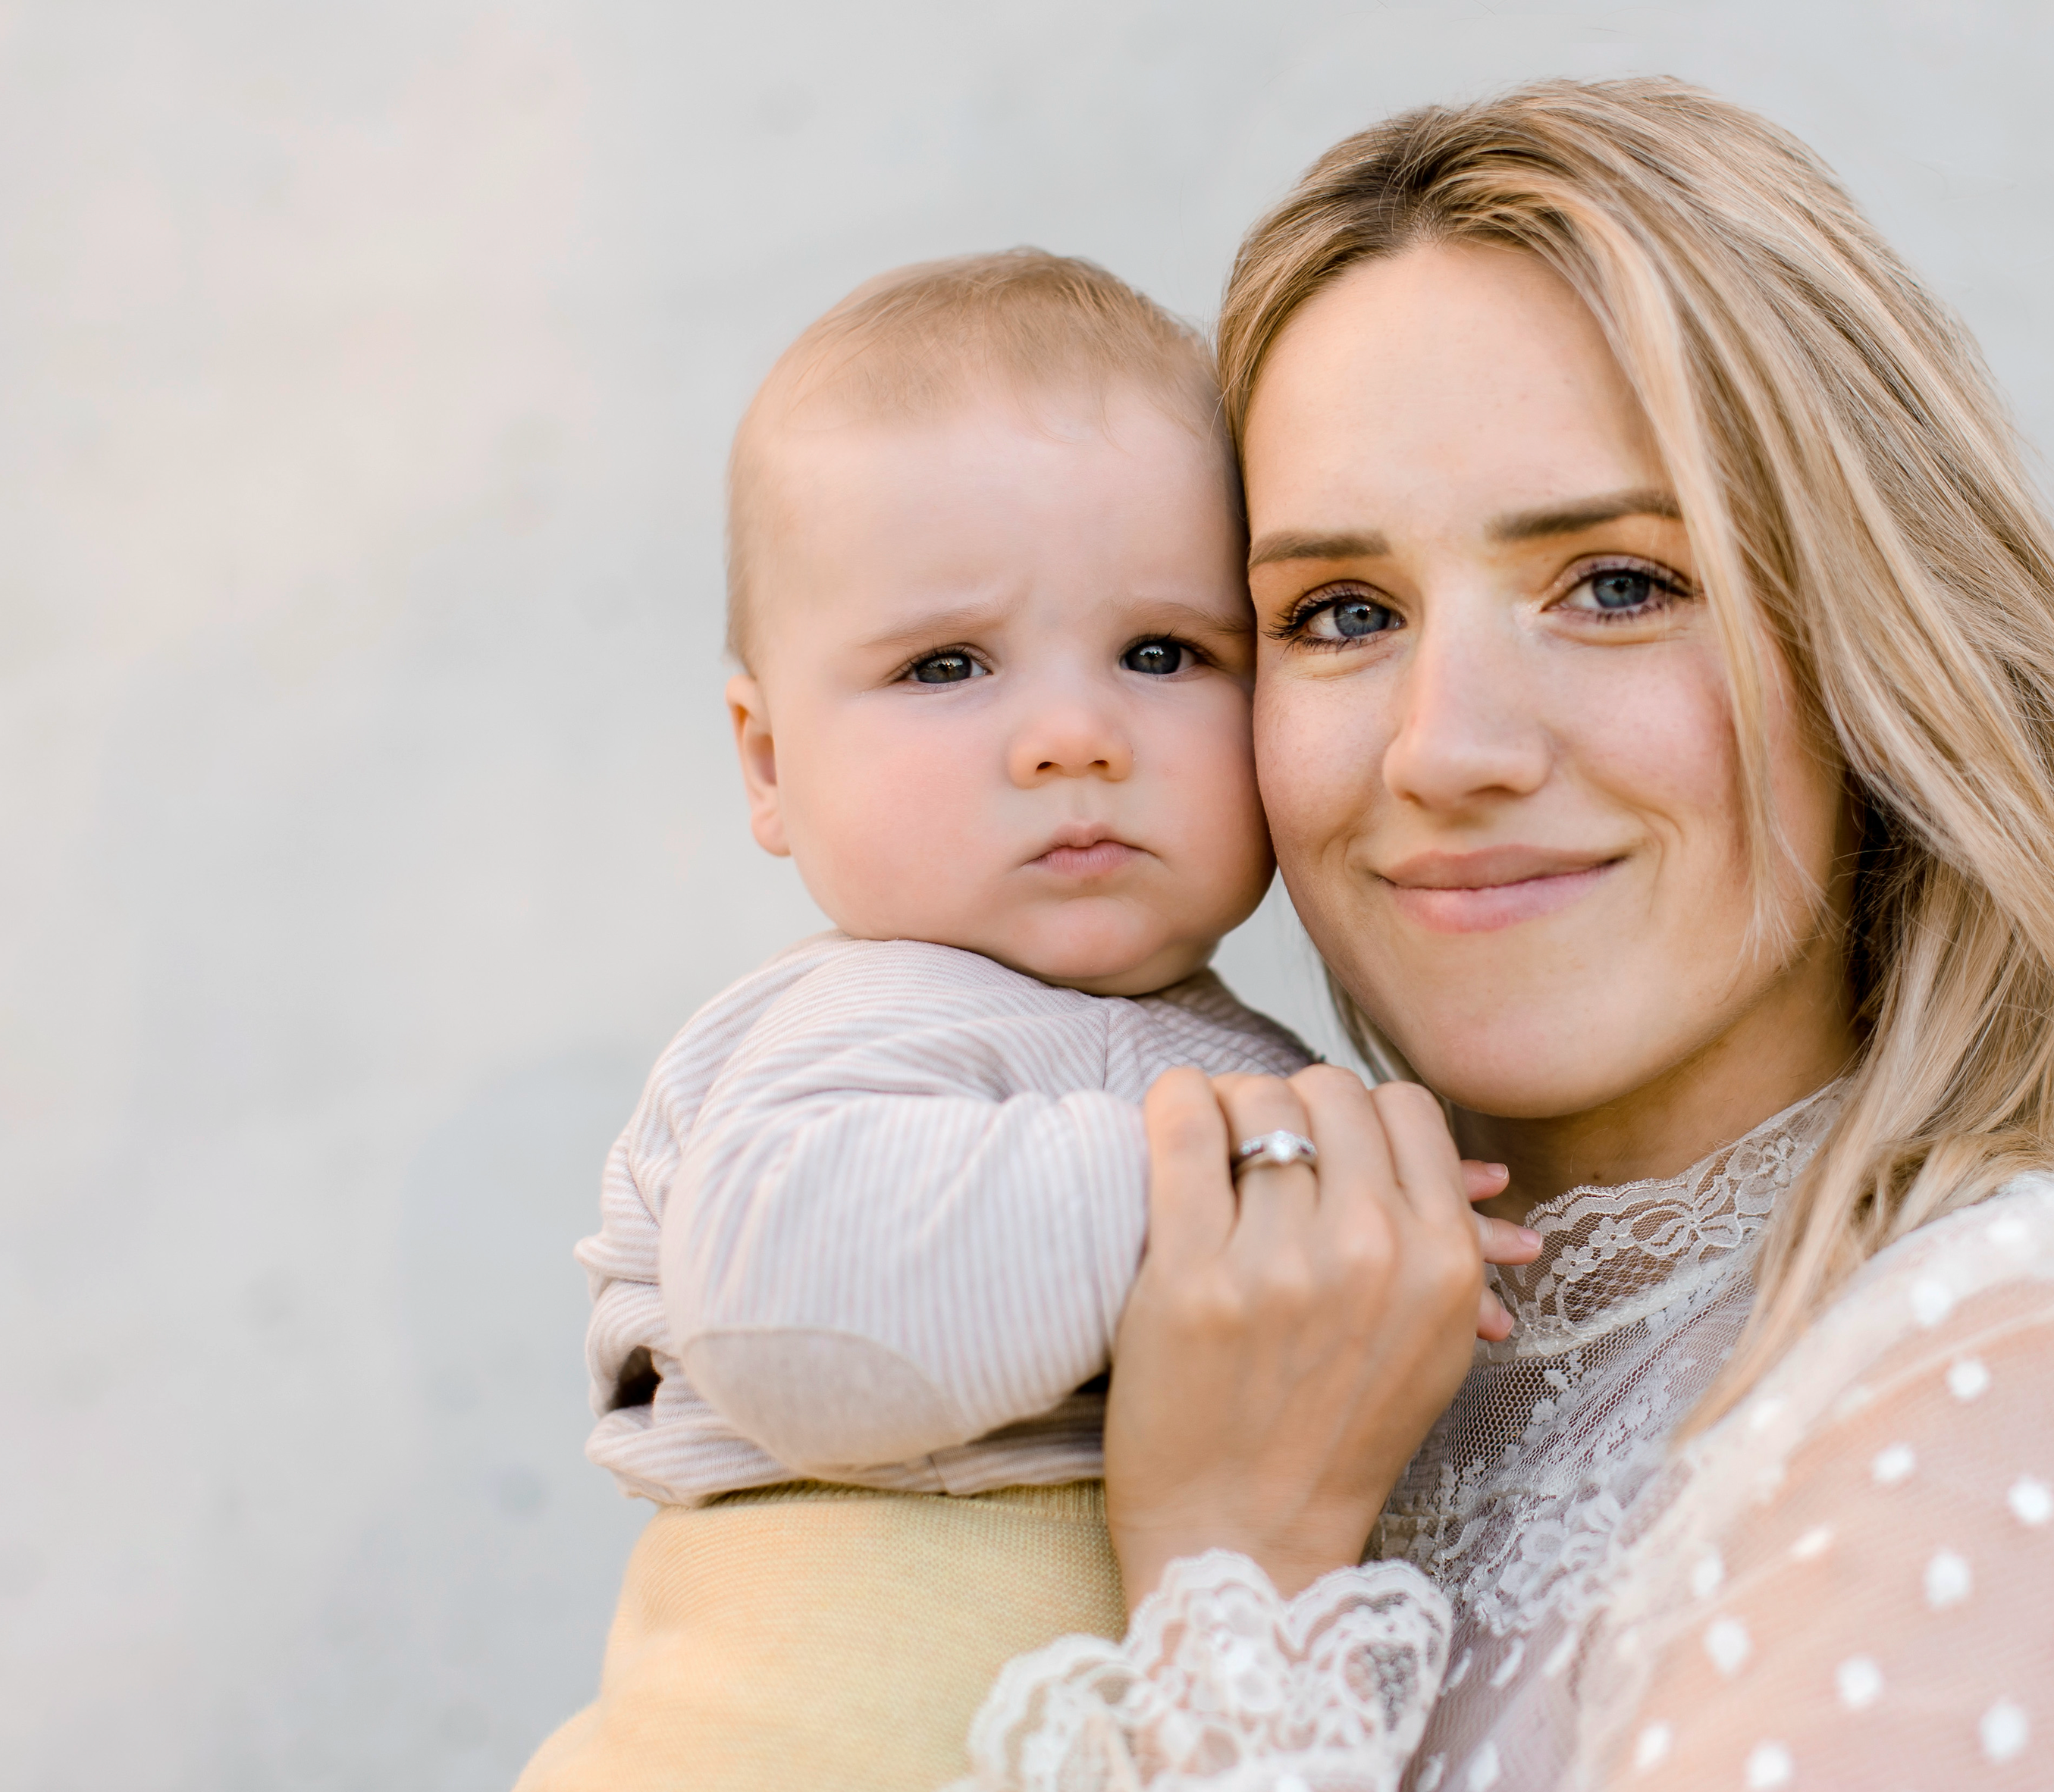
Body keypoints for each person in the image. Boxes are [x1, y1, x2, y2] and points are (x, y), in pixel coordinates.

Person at [965, 77, 2054, 1791]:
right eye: (1341, 613)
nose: (1446, 749)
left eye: (1619, 585)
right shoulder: (1254, 1348)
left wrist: (1239, 1578)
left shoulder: (2048, 1369)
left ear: (1875, 643)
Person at [519, 251, 1537, 1792]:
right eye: (946, 666)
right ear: (768, 761)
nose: (1073, 736)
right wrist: (1210, 1184)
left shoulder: (1248, 1061)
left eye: (1162, 654)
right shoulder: (847, 1024)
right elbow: (797, 1325)